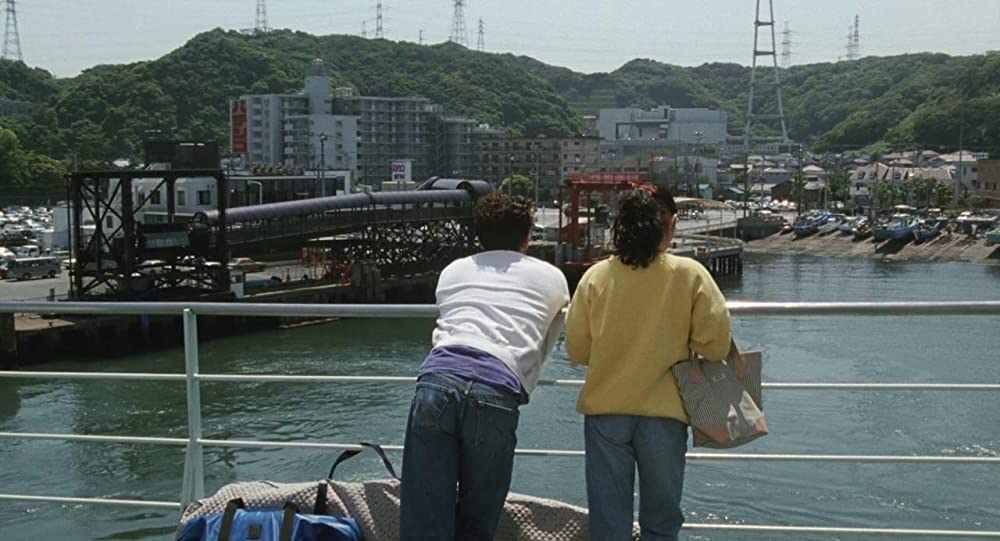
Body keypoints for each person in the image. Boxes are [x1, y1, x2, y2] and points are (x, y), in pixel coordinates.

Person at [565, 187, 740, 541]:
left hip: (606, 411)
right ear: (670, 224)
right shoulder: (689, 273)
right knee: (661, 522)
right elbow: (716, 344)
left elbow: (578, 351)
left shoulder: (596, 277)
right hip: (665, 414)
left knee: (608, 521)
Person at [399, 193, 570, 541]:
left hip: (436, 382)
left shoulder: (453, 271)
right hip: (495, 389)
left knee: (424, 517)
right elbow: (552, 333)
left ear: (480, 236)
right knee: (479, 519)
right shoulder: (552, 278)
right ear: (527, 237)